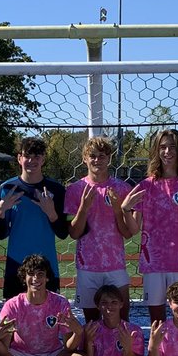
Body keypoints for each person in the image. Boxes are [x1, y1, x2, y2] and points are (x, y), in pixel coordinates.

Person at [120, 128, 178, 324]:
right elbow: (134, 229)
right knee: (156, 321)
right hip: (154, 263)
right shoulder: (146, 186)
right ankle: (159, 354)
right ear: (156, 151)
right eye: (163, 147)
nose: (168, 151)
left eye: (172, 147)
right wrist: (125, 210)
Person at [0, 253, 83, 356]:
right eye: (31, 274)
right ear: (24, 277)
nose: (35, 278)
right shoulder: (12, 306)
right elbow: (4, 351)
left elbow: (68, 348)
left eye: (40, 274)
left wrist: (78, 332)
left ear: (47, 277)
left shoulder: (60, 303)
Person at [64, 136, 132, 320]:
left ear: (109, 158)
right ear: (84, 158)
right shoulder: (75, 190)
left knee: (122, 319)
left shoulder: (123, 188)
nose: (97, 160)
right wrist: (84, 208)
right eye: (92, 155)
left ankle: (123, 349)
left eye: (102, 156)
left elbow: (127, 233)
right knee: (92, 323)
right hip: (88, 265)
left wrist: (118, 210)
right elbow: (74, 233)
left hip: (115, 264)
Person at [0, 136, 68, 298]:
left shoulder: (56, 190)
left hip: (46, 265)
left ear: (43, 159)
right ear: (19, 158)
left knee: (47, 317)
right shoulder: (7, 188)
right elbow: (1, 233)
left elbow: (63, 233)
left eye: (37, 156)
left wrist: (51, 213)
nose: (32, 160)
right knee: (15, 318)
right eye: (27, 156)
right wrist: (0, 213)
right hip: (16, 264)